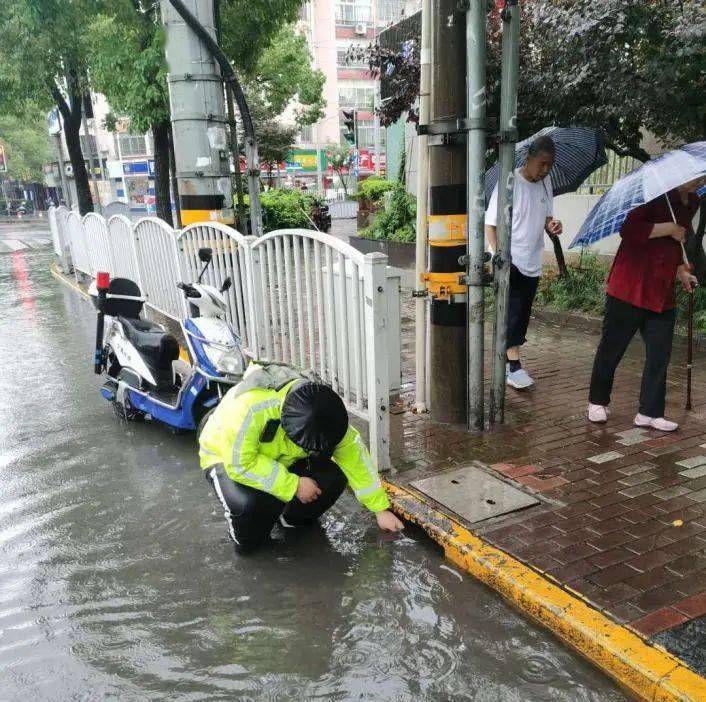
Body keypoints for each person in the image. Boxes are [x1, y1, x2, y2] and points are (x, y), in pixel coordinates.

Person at [199, 364, 404, 552]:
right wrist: (294, 485)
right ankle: (244, 539)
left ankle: (291, 520)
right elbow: (239, 464)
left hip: (280, 459)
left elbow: (355, 458)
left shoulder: (325, 412)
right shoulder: (249, 409)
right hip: (225, 458)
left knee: (333, 477)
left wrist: (380, 510)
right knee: (249, 510)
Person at [587, 179, 702, 431]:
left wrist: (681, 271)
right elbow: (629, 230)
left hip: (662, 291)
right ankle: (597, 401)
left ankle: (650, 412)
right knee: (612, 348)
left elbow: (674, 247)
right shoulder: (652, 195)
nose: (701, 180)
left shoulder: (692, 202)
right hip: (630, 287)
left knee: (660, 354)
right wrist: (668, 227)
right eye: (698, 176)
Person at [485, 136, 564, 389]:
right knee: (512, 313)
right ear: (529, 157)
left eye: (550, 165)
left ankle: (509, 363)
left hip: (533, 259)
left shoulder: (545, 183)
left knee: (522, 314)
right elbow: (491, 225)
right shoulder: (509, 182)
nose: (546, 170)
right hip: (512, 259)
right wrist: (498, 257)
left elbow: (546, 216)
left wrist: (552, 224)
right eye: (542, 164)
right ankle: (512, 366)